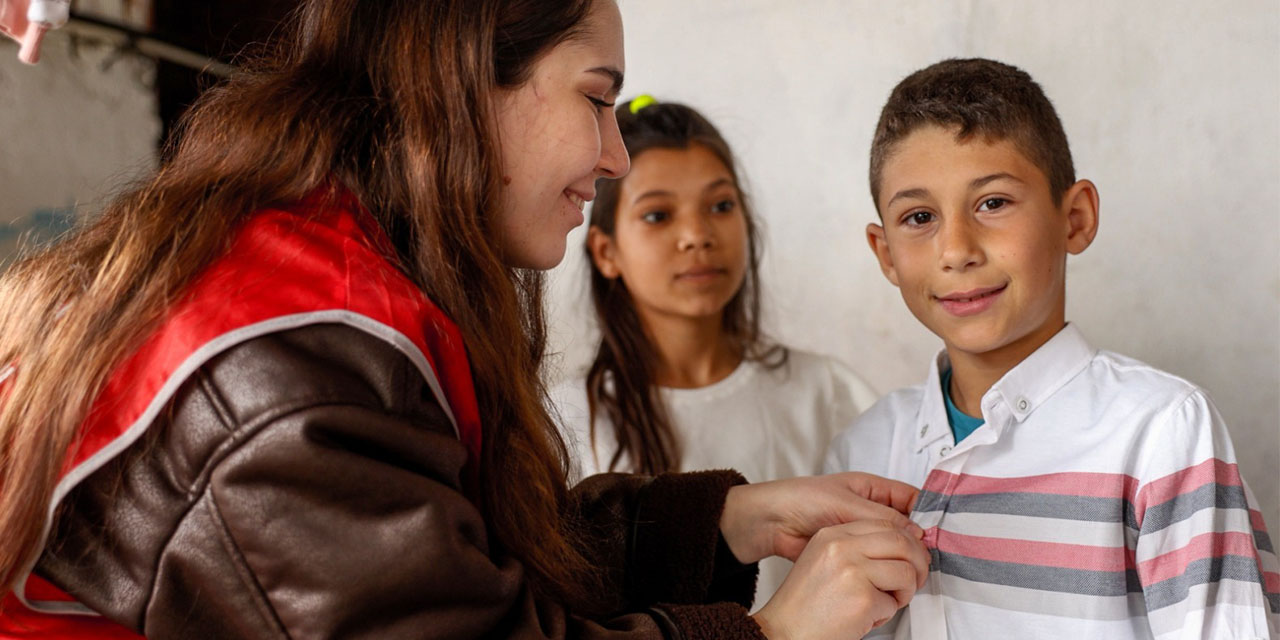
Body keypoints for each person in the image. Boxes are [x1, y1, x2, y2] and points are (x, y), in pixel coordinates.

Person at [0, 1, 931, 638]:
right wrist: (773, 630)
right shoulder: (290, 357)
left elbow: (436, 568)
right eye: (597, 99)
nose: (613, 156)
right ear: (458, 81)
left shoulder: (335, 293)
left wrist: (722, 521)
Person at [824, 57, 1280, 638]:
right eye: (919, 217)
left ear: (1075, 218)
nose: (956, 249)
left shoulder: (1161, 433)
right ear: (885, 253)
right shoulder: (860, 452)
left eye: (992, 203)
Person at [548, 97, 879, 609]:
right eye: (658, 215)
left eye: (720, 206)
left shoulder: (829, 394)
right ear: (606, 252)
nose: (697, 236)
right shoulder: (563, 420)